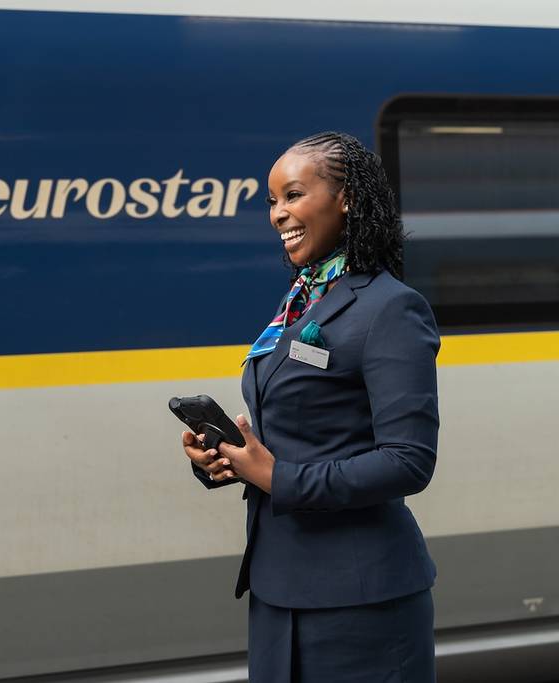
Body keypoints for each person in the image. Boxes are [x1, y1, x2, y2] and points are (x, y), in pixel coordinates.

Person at [182, 132, 439, 681]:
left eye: (293, 195)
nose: (278, 213)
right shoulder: (302, 298)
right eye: (273, 200)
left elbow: (408, 461)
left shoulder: (391, 308)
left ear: (346, 199)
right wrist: (230, 457)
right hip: (278, 588)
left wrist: (277, 476)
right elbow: (301, 430)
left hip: (361, 602)